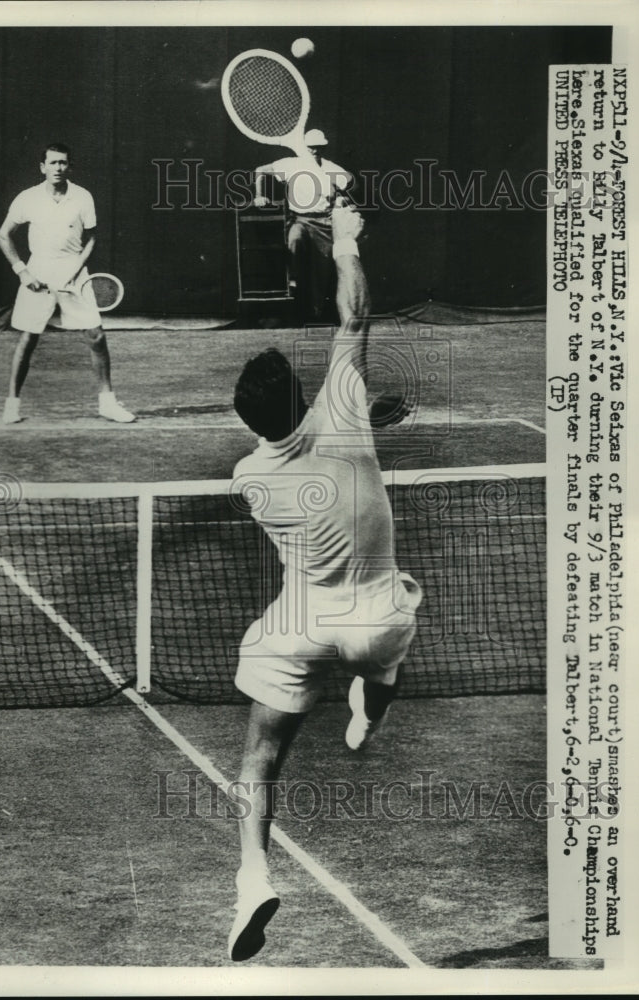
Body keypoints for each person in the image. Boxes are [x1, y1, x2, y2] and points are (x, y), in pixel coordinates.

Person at [226, 203, 422, 962]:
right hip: (374, 622)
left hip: (298, 629)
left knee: (259, 762)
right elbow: (356, 313)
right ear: (304, 392)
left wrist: (360, 416)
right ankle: (371, 709)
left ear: (252, 424)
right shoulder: (340, 405)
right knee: (390, 647)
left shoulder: (248, 477)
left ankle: (252, 878)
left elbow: (306, 444)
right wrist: (344, 239)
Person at [0, 143, 135, 424]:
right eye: (53, 163)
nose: (58, 168)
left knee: (96, 335)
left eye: (63, 163)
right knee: (28, 338)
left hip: (74, 268)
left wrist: (76, 269)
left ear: (69, 167)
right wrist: (23, 272)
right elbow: (3, 235)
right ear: (43, 167)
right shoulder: (28, 198)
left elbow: (93, 237)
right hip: (38, 269)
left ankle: (107, 404)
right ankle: (12, 405)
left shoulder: (83, 197)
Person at [254, 128, 353, 323]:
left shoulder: (332, 168)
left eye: (318, 148)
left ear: (323, 148)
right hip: (300, 220)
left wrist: (342, 200)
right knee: (295, 240)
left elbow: (350, 186)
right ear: (305, 147)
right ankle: (293, 285)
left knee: (326, 271)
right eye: (311, 148)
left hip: (326, 223)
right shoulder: (291, 164)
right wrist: (259, 195)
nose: (315, 151)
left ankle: (321, 314)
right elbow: (260, 170)